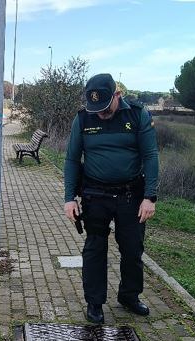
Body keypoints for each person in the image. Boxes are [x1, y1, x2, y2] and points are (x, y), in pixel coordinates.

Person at [63, 73, 159, 324]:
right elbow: (72, 159)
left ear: (118, 95)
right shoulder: (83, 118)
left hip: (131, 195)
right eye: (96, 109)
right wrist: (69, 197)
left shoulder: (137, 115)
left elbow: (150, 156)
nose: (101, 114)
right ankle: (95, 303)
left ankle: (129, 296)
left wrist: (150, 197)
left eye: (105, 108)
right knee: (95, 248)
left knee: (132, 249)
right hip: (95, 194)